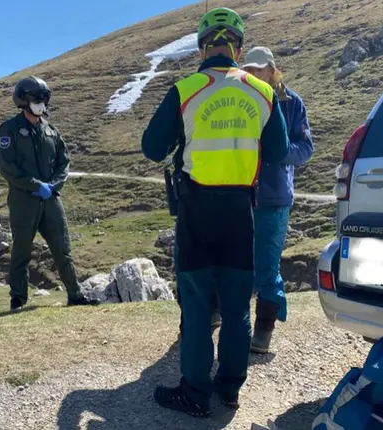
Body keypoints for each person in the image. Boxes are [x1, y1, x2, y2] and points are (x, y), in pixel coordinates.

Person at [141, 7, 290, 417]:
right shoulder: (261, 92)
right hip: (241, 211)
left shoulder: (186, 89)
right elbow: (278, 151)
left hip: (196, 210)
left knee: (196, 304)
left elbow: (152, 148)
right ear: (238, 49)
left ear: (202, 47)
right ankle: (230, 390)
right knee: (238, 305)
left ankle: (194, 391)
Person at [0, 76, 100, 312]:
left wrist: (55, 185)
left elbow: (64, 162)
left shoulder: (51, 130)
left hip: (51, 200)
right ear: (23, 100)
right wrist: (35, 185)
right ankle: (18, 300)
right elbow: (7, 168)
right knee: (21, 251)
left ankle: (75, 296)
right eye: (37, 98)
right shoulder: (9, 129)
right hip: (24, 201)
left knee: (63, 250)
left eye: (45, 98)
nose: (42, 103)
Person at [241, 46, 314, 354]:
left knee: (268, 265)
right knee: (237, 262)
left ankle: (264, 330)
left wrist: (280, 152)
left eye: (260, 69)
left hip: (274, 197)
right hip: (242, 194)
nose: (254, 74)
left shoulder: (292, 103)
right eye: (250, 69)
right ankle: (234, 322)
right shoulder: (241, 101)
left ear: (272, 70)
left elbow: (305, 149)